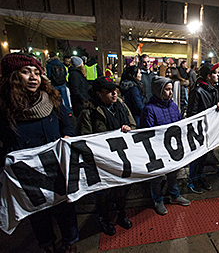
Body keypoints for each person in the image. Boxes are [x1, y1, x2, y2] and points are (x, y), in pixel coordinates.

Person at [0, 53, 78, 253]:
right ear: (13, 77)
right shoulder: (4, 108)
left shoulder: (52, 99)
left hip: (57, 166)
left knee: (65, 207)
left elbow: (67, 128)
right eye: (26, 72)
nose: (33, 77)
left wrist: (67, 138)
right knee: (38, 213)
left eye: (37, 72)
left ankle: (70, 241)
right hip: (28, 174)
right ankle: (47, 244)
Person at [76, 76, 136, 236]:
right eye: (109, 92)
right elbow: (85, 138)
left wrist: (128, 128)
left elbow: (134, 125)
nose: (114, 94)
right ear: (98, 94)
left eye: (115, 90)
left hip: (120, 157)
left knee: (120, 190)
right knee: (102, 194)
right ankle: (104, 219)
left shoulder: (121, 106)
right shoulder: (88, 112)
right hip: (100, 162)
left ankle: (121, 214)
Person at [140, 76, 191, 215]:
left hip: (172, 149)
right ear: (158, 91)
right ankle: (158, 200)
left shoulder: (174, 106)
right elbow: (147, 133)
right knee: (157, 178)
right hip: (157, 151)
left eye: (171, 89)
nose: (170, 93)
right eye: (167, 90)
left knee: (173, 174)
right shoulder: (149, 110)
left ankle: (174, 195)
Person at [187, 62, 219, 194]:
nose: (218, 74)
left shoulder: (214, 90)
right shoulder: (197, 91)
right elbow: (192, 113)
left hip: (209, 129)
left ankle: (200, 176)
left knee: (204, 156)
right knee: (196, 156)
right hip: (199, 130)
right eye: (215, 73)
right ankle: (192, 180)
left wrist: (218, 107)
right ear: (208, 76)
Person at [46, 51, 71, 115]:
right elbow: (65, 73)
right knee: (65, 98)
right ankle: (68, 111)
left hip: (54, 84)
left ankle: (58, 111)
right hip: (62, 83)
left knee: (56, 97)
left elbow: (49, 75)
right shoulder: (60, 63)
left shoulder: (49, 64)